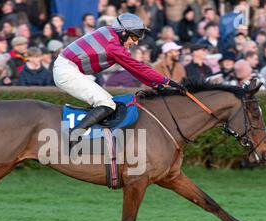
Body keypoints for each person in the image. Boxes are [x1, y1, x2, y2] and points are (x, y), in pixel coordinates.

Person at [53, 13, 185, 145]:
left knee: (105, 103)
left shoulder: (109, 31)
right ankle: (74, 136)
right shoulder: (114, 46)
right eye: (134, 36)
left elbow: (133, 69)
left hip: (69, 68)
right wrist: (167, 81)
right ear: (122, 33)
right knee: (107, 104)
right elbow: (138, 68)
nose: (136, 42)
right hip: (67, 71)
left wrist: (154, 84)